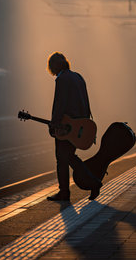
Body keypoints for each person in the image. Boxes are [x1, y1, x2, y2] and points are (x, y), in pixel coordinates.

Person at [46, 52, 100, 201]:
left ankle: (67, 191)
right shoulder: (78, 77)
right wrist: (84, 123)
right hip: (79, 125)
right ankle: (91, 183)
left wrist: (54, 124)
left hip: (66, 127)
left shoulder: (61, 79)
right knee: (69, 156)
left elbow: (59, 104)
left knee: (61, 158)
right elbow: (86, 102)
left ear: (54, 66)